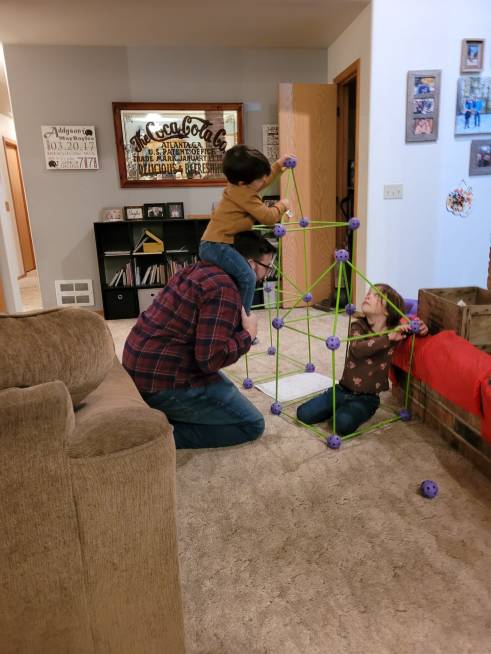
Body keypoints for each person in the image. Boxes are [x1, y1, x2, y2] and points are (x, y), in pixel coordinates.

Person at [123, 230, 276, 449]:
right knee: (251, 424)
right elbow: (210, 359)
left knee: (224, 387)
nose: (266, 275)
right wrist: (248, 335)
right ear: (250, 265)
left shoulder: (196, 269)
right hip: (160, 383)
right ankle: (155, 440)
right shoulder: (224, 290)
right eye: (267, 267)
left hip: (139, 366)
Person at [296, 284, 428, 436]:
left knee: (342, 424)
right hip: (342, 390)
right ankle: (336, 407)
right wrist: (387, 338)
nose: (368, 295)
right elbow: (357, 349)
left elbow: (414, 327)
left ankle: (350, 411)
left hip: (367, 398)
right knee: (303, 414)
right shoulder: (358, 326)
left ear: (387, 310)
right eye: (369, 293)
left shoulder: (396, 330)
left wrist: (422, 329)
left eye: (376, 295)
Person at [199, 144, 291, 315]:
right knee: (248, 277)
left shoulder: (238, 186)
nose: (264, 181)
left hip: (214, 243)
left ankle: (235, 315)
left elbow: (263, 180)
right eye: (260, 179)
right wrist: (282, 205)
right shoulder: (246, 194)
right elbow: (268, 217)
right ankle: (243, 320)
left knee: (240, 277)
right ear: (244, 183)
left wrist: (278, 165)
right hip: (217, 246)